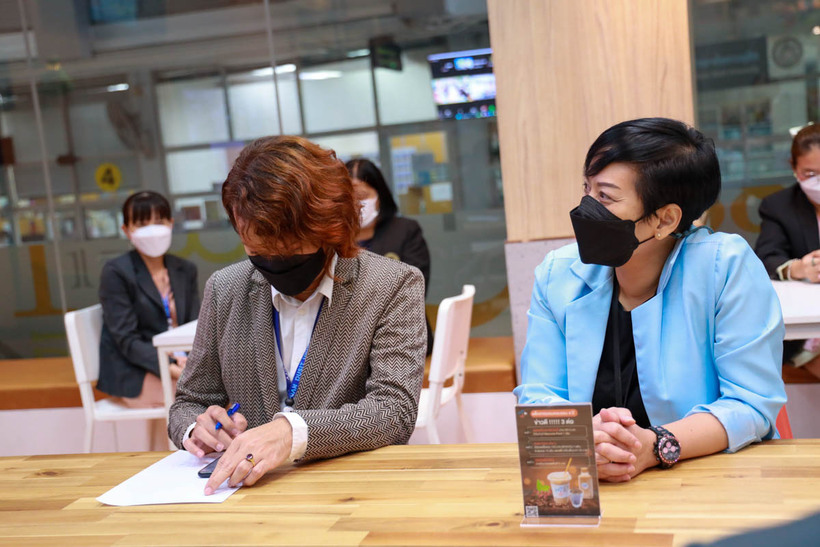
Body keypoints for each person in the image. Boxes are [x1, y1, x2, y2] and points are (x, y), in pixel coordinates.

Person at [515, 118, 786, 483]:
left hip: (708, 480)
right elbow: (538, 395)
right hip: (592, 484)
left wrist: (654, 445)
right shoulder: (558, 274)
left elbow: (751, 404)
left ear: (665, 220)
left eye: (605, 196)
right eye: (587, 189)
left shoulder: (724, 268)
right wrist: (585, 439)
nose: (585, 208)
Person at [168, 136, 426, 495]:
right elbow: (189, 401)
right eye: (257, 250)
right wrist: (197, 430)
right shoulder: (226, 289)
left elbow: (394, 411)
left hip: (352, 489)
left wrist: (293, 432)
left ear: (329, 227)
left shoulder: (391, 285)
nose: (273, 263)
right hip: (249, 493)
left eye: (289, 250)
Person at [98, 190, 200, 408]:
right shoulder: (116, 272)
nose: (152, 230)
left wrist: (192, 363)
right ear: (126, 230)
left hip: (185, 365)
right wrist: (170, 365)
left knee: (223, 388)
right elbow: (127, 340)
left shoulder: (185, 269)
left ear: (171, 224)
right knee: (200, 398)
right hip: (136, 371)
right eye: (142, 224)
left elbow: (197, 327)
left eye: (159, 222)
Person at [345, 158, 434, 354]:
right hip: (348, 342)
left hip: (402, 336)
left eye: (363, 196)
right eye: (350, 196)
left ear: (380, 195)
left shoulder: (405, 230)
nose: (357, 204)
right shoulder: (332, 237)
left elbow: (415, 289)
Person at [755, 123, 820, 376]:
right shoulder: (779, 206)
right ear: (794, 167)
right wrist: (798, 268)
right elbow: (767, 257)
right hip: (807, 334)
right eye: (810, 173)